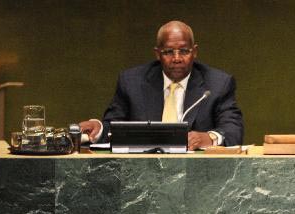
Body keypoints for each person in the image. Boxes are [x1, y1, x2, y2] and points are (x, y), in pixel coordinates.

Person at [79, 21, 244, 149]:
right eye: (168, 52)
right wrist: (98, 127)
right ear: (157, 53)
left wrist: (210, 138)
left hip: (198, 174)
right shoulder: (131, 81)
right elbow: (115, 127)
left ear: (194, 52)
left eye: (184, 51)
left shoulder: (218, 84)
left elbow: (233, 129)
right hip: (142, 171)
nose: (177, 58)